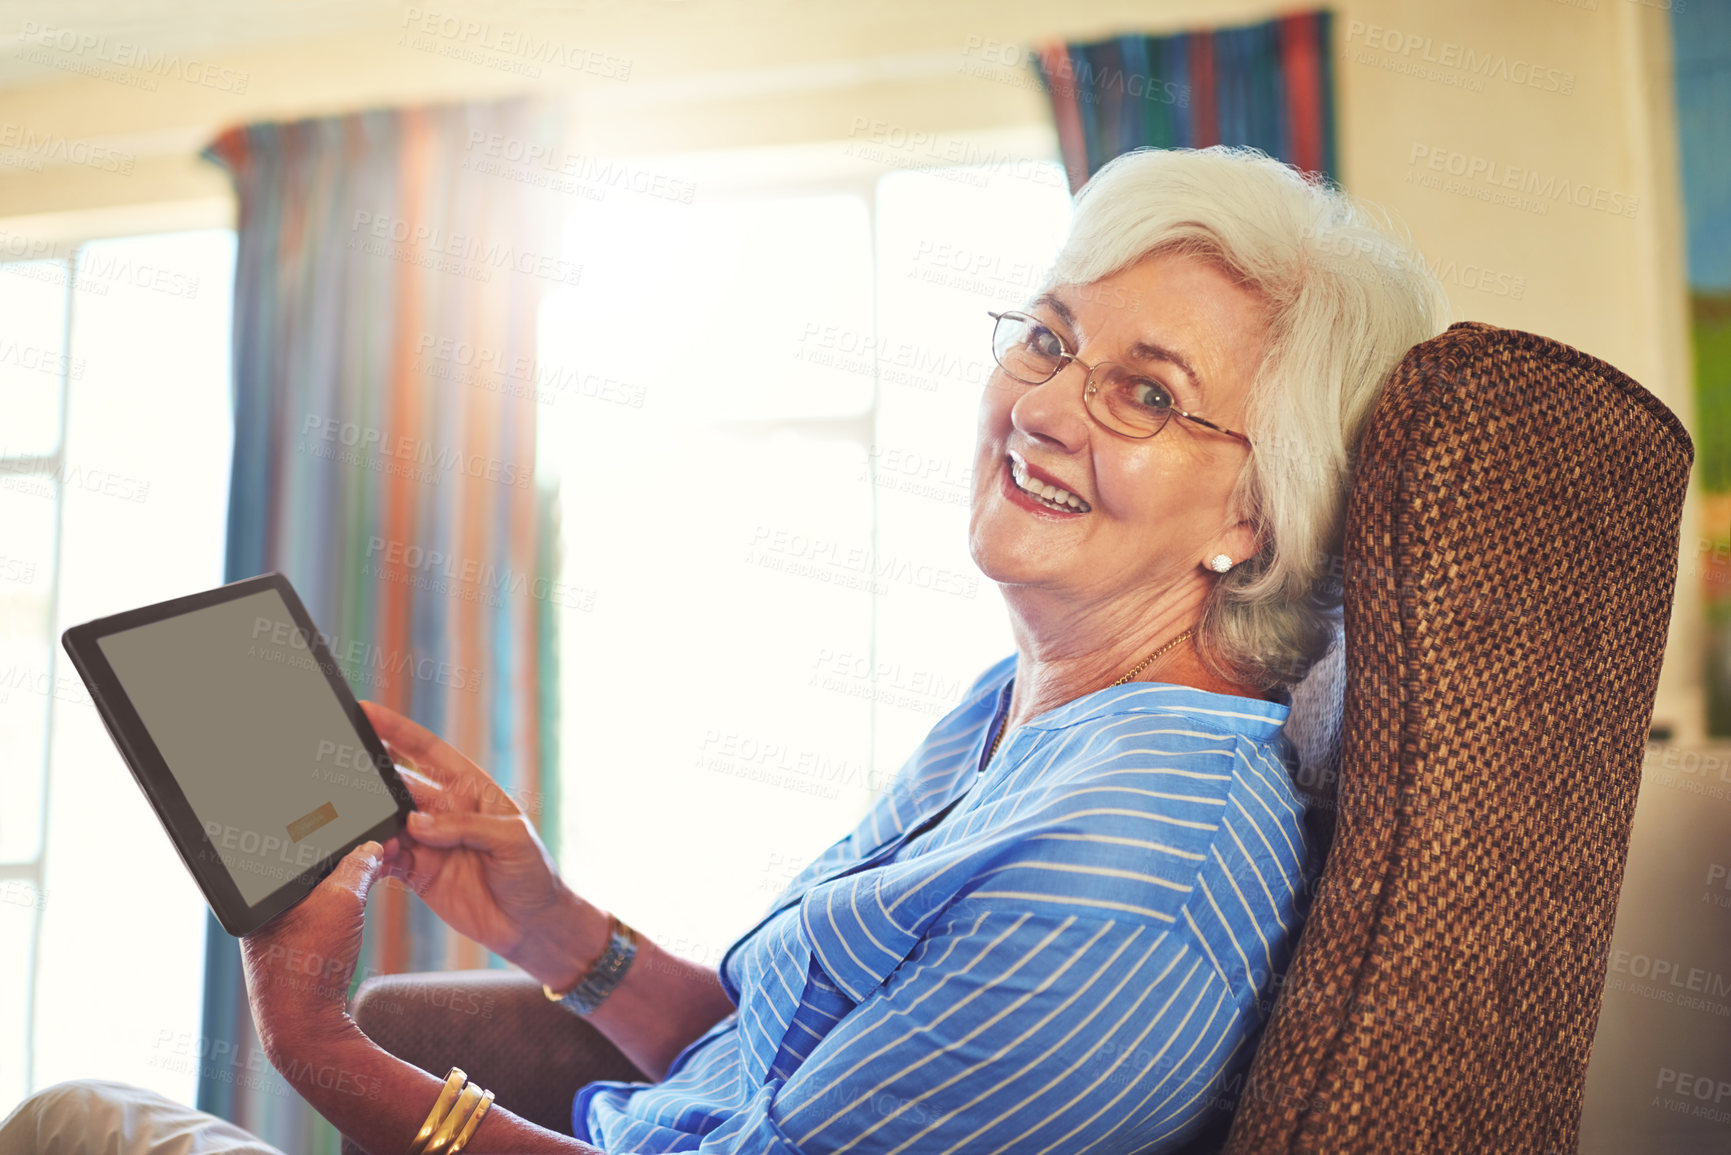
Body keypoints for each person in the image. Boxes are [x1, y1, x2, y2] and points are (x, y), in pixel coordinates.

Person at [0, 144, 1447, 1155]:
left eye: (1147, 393)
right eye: (1052, 341)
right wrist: (536, 916)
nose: (1049, 408)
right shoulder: (1026, 709)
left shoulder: (1132, 872)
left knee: (67, 1124)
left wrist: (313, 1042)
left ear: (1259, 518)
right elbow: (782, 1066)